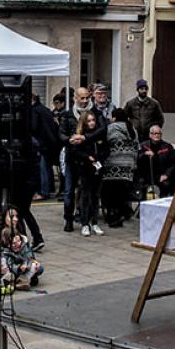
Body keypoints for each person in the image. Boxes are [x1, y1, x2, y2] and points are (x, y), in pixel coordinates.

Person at [58, 86, 92, 233]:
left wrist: (85, 138)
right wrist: (70, 139)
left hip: (87, 157)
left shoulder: (93, 113)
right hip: (72, 156)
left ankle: (85, 219)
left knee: (86, 190)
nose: (84, 101)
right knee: (69, 190)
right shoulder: (67, 115)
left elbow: (100, 131)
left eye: (87, 98)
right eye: (82, 98)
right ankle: (68, 219)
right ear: (75, 98)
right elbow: (61, 134)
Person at [68, 110, 107, 237]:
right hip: (85, 168)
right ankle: (85, 223)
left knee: (96, 196)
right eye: (89, 121)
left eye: (93, 120)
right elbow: (75, 151)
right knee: (85, 195)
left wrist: (100, 158)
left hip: (98, 168)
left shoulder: (99, 134)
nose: (92, 123)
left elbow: (106, 149)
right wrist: (87, 157)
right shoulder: (80, 135)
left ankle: (94, 222)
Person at [101, 108, 137, 228]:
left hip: (113, 165)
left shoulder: (111, 128)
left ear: (114, 117)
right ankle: (122, 213)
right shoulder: (132, 129)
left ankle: (113, 217)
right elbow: (137, 147)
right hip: (128, 165)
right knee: (122, 192)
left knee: (112, 192)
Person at [0, 209, 44, 289]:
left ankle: (22, 280)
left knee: (37, 267)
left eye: (18, 241)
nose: (17, 245)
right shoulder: (5, 249)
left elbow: (29, 255)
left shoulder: (23, 243)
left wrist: (29, 263)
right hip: (11, 267)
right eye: (12, 217)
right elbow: (4, 260)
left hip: (22, 267)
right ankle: (10, 281)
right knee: (5, 271)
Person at [31, 93, 60, 201]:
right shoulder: (45, 109)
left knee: (43, 168)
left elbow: (33, 127)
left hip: (41, 143)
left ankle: (44, 191)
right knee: (47, 167)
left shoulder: (35, 110)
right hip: (50, 142)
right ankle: (49, 189)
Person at [137, 125, 175, 197]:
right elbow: (137, 159)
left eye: (159, 133)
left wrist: (166, 175)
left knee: (167, 185)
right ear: (150, 135)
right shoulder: (143, 146)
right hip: (147, 178)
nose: (157, 135)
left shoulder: (167, 147)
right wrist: (144, 154)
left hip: (162, 176)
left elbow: (174, 163)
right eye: (154, 133)